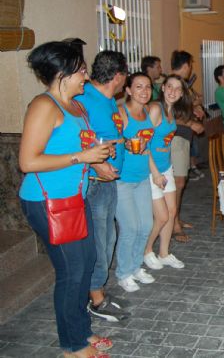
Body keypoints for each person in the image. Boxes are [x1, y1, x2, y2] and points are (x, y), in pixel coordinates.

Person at [19, 41, 113, 357]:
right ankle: (72, 346)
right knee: (71, 272)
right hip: (47, 203)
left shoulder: (77, 105)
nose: (85, 77)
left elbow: (83, 146)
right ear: (62, 72)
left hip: (75, 197)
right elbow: (27, 162)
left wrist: (99, 162)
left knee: (85, 265)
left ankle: (81, 331)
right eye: (82, 71)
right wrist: (81, 157)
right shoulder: (43, 106)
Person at [75, 50, 130, 322]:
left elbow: (109, 135)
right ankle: (95, 298)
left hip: (109, 180)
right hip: (95, 181)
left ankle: (98, 289)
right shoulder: (85, 99)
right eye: (125, 75)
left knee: (108, 238)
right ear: (118, 76)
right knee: (99, 241)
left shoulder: (108, 100)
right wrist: (99, 165)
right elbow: (80, 137)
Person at [115, 72, 157, 293]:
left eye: (148, 87)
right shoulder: (121, 114)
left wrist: (155, 173)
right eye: (139, 87)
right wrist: (125, 142)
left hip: (142, 178)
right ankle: (123, 273)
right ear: (128, 90)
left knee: (146, 226)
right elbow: (110, 142)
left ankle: (135, 266)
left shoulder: (148, 112)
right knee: (130, 228)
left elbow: (147, 146)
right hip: (122, 180)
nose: (144, 91)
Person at [143, 75, 190, 271]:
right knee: (161, 216)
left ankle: (164, 253)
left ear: (181, 93)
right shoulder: (155, 109)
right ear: (162, 88)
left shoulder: (171, 112)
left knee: (171, 213)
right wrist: (155, 173)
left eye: (177, 89)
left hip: (166, 167)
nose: (173, 91)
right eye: (169, 86)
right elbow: (144, 143)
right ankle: (145, 251)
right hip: (152, 169)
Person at [170, 51, 204, 242]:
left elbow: (180, 110)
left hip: (182, 138)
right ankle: (174, 225)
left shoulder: (182, 85)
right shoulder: (173, 84)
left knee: (180, 184)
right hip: (176, 138)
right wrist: (191, 123)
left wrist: (193, 111)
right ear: (186, 65)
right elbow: (170, 115)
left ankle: (176, 219)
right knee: (178, 183)